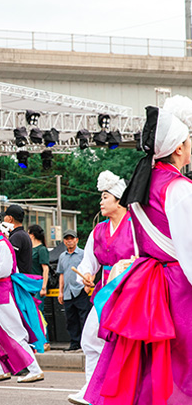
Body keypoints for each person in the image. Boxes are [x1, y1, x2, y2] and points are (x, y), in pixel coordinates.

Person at [86, 100, 192, 405]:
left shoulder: (143, 185)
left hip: (147, 282)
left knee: (150, 369)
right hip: (178, 286)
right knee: (182, 368)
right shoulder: (179, 188)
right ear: (179, 149)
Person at [67, 170, 134, 405]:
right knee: (90, 339)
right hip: (104, 293)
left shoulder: (136, 227)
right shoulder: (99, 230)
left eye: (105, 196)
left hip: (132, 292)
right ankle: (91, 390)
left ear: (118, 199)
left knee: (124, 345)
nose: (101, 201)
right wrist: (86, 275)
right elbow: (89, 262)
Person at [0, 208, 45, 384]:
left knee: (15, 332)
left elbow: (4, 269)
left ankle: (35, 369)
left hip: (2, 294)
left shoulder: (1, 243)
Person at [57, 230, 90, 353]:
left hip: (81, 289)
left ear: (77, 240)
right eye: (67, 239)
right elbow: (61, 274)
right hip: (67, 292)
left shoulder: (83, 254)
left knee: (84, 317)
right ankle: (74, 343)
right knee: (70, 319)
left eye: (72, 238)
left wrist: (87, 286)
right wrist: (60, 292)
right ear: (64, 241)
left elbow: (90, 269)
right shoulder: (62, 256)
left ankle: (85, 343)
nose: (69, 241)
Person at [4, 205, 33, 274]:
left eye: (5, 216)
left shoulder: (17, 236)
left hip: (18, 278)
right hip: (24, 277)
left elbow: (10, 259)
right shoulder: (23, 234)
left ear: (10, 219)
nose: (4, 218)